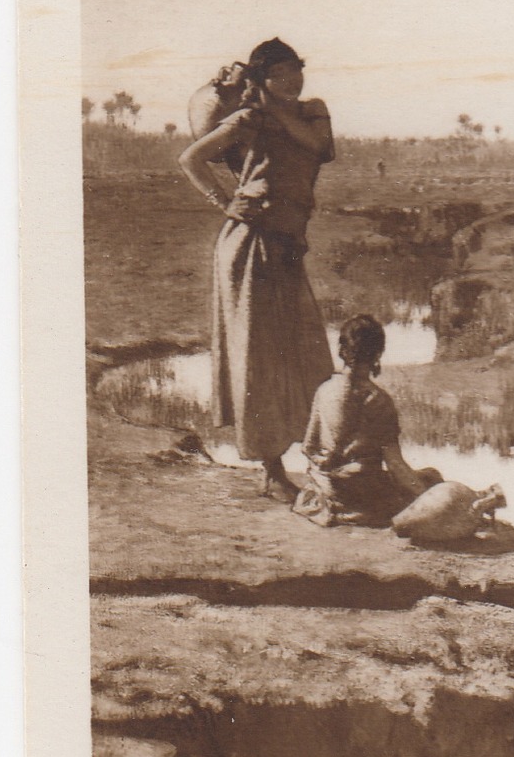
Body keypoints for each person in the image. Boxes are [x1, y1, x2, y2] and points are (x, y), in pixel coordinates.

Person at [178, 38, 336, 501]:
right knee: (259, 357)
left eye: (296, 71)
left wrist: (268, 105)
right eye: (280, 74)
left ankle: (316, 464)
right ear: (260, 79)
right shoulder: (246, 120)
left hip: (287, 244)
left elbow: (319, 148)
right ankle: (271, 472)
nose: (293, 80)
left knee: (305, 352)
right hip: (249, 243)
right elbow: (190, 158)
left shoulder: (312, 112)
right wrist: (225, 202)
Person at [293, 315, 442, 528]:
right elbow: (395, 465)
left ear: (342, 350)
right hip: (360, 497)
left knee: (422, 479)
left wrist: (329, 469)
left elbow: (308, 448)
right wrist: (431, 497)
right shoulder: (377, 400)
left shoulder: (324, 390)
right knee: (431, 477)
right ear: (377, 354)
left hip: (325, 490)